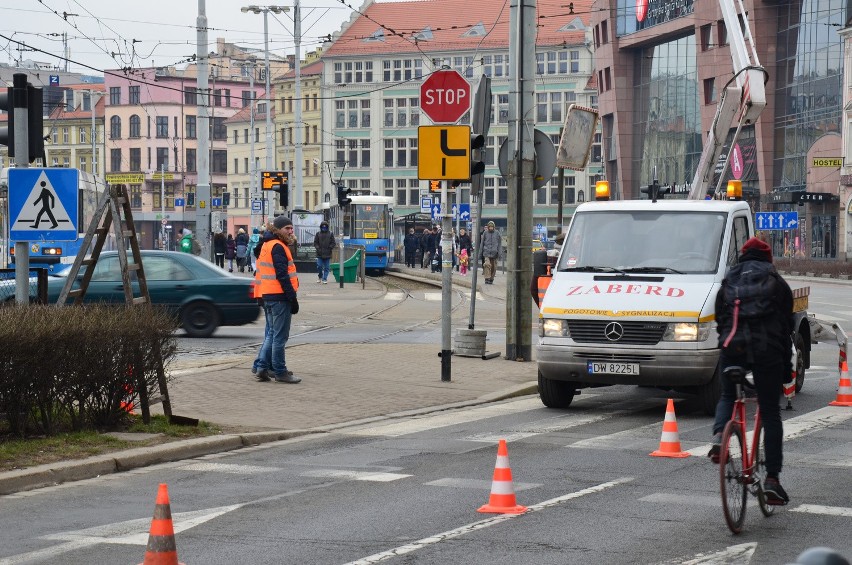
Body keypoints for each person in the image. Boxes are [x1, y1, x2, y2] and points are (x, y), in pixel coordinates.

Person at [710, 236, 793, 505]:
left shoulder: (728, 281)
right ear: (768, 258)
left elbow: (720, 319)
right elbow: (785, 329)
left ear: (743, 257)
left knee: (726, 396)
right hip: (767, 351)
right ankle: (772, 480)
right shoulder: (776, 283)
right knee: (769, 411)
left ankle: (720, 437)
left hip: (733, 347)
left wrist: (726, 346)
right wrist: (786, 369)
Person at [254, 215, 301, 384]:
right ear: (278, 230)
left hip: (267, 295)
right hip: (279, 297)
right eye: (287, 228)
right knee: (280, 337)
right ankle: (280, 372)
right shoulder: (278, 246)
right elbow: (282, 275)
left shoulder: (267, 244)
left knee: (272, 335)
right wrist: (292, 298)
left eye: (291, 228)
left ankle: (261, 368)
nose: (290, 231)